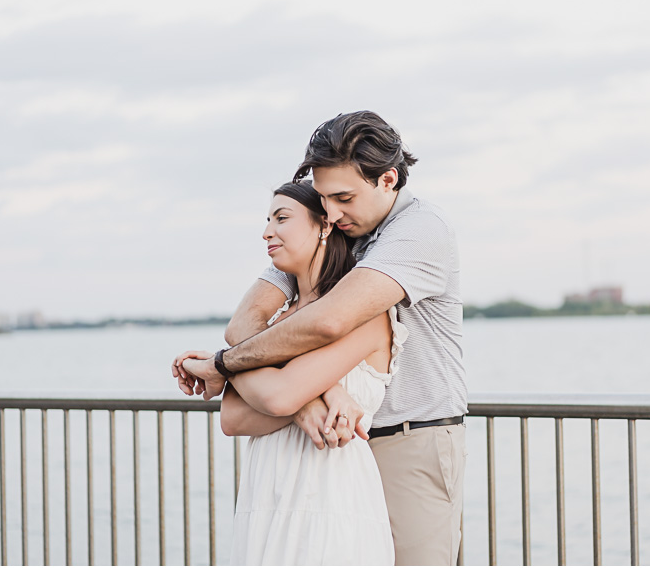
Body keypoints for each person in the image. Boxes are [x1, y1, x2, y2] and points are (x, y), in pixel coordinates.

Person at [174, 110, 467, 565]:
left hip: (410, 439)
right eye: (324, 198)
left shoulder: (419, 230)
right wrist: (312, 398)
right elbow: (246, 322)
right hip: (336, 440)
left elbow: (327, 321)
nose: (331, 211)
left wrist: (221, 365)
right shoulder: (336, 233)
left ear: (388, 179)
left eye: (344, 197)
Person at [175, 180, 404, 564]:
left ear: (325, 226)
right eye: (268, 220)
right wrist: (320, 395)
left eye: (282, 218)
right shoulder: (273, 326)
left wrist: (225, 365)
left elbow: (278, 396)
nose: (267, 232)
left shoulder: (364, 315)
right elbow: (233, 417)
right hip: (266, 494)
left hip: (328, 496)